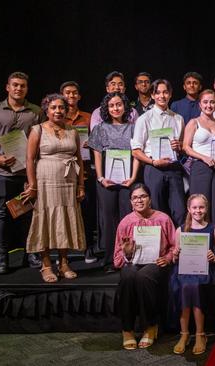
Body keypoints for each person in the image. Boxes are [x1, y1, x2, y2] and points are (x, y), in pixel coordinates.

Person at [0, 71, 43, 274]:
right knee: (2, 214)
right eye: (15, 85)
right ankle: (1, 258)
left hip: (27, 173)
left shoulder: (35, 112)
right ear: (7, 87)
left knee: (29, 214)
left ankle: (31, 253)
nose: (18, 88)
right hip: (1, 172)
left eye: (22, 85)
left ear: (27, 88)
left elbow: (40, 143)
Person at [20, 94, 86, 282]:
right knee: (45, 220)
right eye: (54, 108)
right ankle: (46, 265)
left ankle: (64, 263)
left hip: (68, 183)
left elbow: (79, 159)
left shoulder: (73, 131)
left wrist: (81, 185)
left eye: (61, 108)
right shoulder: (37, 130)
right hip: (45, 182)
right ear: (46, 110)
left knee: (65, 219)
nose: (58, 111)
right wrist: (32, 185)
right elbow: (30, 159)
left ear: (66, 110)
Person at [114, 183, 177, 350]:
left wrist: (168, 258)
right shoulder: (125, 223)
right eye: (135, 197)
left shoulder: (163, 219)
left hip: (156, 263)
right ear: (130, 202)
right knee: (128, 276)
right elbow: (117, 258)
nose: (139, 200)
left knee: (143, 277)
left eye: (143, 196)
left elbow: (174, 246)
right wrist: (127, 253)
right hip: (133, 262)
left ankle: (150, 326)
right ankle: (127, 329)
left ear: (150, 199)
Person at [89, 92, 139, 273]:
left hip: (128, 181)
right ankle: (110, 260)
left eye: (118, 105)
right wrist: (101, 178)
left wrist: (133, 178)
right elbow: (96, 155)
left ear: (125, 106)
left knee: (128, 219)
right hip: (107, 182)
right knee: (109, 221)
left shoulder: (133, 128)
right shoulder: (100, 129)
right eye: (111, 106)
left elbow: (137, 155)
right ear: (106, 109)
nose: (115, 108)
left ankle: (128, 257)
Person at [170, 194, 215, 355]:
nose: (198, 211)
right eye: (194, 207)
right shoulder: (181, 230)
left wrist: (214, 258)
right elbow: (174, 257)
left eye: (201, 207)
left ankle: (200, 334)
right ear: (188, 209)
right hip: (184, 270)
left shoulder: (214, 229)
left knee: (193, 285)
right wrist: (176, 254)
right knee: (186, 285)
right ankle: (184, 334)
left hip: (204, 270)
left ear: (206, 209)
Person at [131, 79, 186, 227]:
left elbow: (181, 147)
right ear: (153, 95)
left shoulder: (178, 119)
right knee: (156, 210)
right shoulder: (144, 119)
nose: (162, 96)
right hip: (153, 168)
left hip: (174, 168)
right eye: (158, 92)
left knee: (179, 211)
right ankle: (161, 248)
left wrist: (178, 146)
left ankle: (178, 247)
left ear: (170, 94)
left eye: (165, 92)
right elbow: (136, 151)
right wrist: (153, 162)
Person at [61, 80, 97, 264]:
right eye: (67, 93)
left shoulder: (88, 117)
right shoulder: (56, 116)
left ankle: (88, 247)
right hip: (63, 173)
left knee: (87, 212)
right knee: (64, 212)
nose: (71, 96)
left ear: (79, 96)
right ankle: (63, 252)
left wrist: (90, 143)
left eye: (75, 93)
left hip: (85, 171)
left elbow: (97, 140)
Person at [182, 89, 215, 229]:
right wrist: (204, 158)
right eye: (205, 102)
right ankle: (198, 242)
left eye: (212, 102)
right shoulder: (193, 122)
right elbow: (186, 147)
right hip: (200, 167)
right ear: (200, 104)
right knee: (199, 206)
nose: (209, 105)